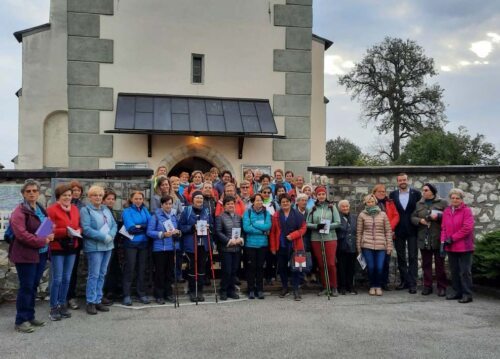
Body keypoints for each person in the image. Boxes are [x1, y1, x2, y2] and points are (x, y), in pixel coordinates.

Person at [9, 179, 54, 333]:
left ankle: (30, 316)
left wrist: (49, 232)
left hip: (40, 254)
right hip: (25, 255)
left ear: (39, 192)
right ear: (23, 193)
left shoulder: (40, 208)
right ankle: (21, 320)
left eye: (34, 191)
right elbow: (22, 235)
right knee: (26, 287)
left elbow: (46, 224)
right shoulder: (18, 212)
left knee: (33, 286)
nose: (32, 193)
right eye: (28, 191)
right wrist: (43, 240)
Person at [80, 185, 117, 314]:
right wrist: (103, 236)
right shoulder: (86, 210)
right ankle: (90, 301)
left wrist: (111, 235)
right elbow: (86, 229)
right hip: (94, 247)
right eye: (95, 195)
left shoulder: (106, 209)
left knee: (102, 274)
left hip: (108, 246)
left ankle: (98, 300)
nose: (98, 197)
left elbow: (114, 225)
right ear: (90, 197)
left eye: (100, 195)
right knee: (94, 275)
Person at [47, 183, 81, 321]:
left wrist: (78, 231)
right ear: (58, 197)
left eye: (69, 195)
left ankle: (62, 304)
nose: (67, 197)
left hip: (72, 247)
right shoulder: (51, 210)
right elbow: (47, 230)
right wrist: (65, 231)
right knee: (57, 279)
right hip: (57, 248)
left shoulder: (74, 209)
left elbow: (78, 225)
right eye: (64, 195)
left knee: (67, 278)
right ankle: (53, 307)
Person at [411, 183, 448, 296]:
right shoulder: (419, 204)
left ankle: (442, 287)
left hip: (437, 237)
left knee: (439, 264)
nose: (424, 192)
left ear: (432, 191)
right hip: (424, 238)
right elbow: (412, 217)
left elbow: (448, 217)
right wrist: (419, 221)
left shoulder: (443, 203)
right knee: (426, 264)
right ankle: (427, 286)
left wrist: (439, 217)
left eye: (426, 190)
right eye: (423, 190)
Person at [178, 191, 214, 302]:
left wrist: (209, 227)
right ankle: (193, 290)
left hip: (204, 244)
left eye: (201, 198)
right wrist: (191, 228)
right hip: (191, 244)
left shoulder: (206, 211)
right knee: (192, 267)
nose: (199, 200)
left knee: (202, 267)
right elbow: (181, 226)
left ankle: (200, 290)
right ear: (192, 199)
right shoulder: (187, 211)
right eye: (197, 198)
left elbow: (212, 225)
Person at [270, 194, 307, 301]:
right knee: (282, 268)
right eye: (283, 202)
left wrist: (293, 235)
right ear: (280, 204)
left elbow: (303, 228)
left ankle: (296, 289)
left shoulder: (298, 215)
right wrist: (273, 247)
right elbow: (273, 232)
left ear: (291, 202)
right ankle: (285, 287)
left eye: (287, 201)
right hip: (281, 245)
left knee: (298, 268)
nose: (285, 203)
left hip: (297, 245)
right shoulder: (276, 215)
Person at [389, 173, 422, 294]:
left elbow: (419, 210)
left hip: (413, 229)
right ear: (397, 182)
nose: (402, 181)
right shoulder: (392, 195)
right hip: (398, 230)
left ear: (408, 180)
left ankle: (412, 283)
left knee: (413, 257)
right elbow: (391, 212)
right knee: (401, 257)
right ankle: (404, 281)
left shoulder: (416, 194)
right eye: (400, 180)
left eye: (404, 179)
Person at [441, 188, 475, 303]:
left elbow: (467, 228)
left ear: (461, 199)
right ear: (450, 199)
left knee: (465, 272)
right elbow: (443, 228)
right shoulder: (446, 211)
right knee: (454, 271)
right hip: (451, 246)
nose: (455, 200)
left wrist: (452, 238)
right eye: (453, 198)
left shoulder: (467, 211)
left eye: (457, 198)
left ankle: (467, 294)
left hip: (465, 247)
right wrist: (443, 241)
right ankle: (457, 292)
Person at [306, 186, 341, 297]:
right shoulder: (312, 208)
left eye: (323, 194)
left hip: (330, 238)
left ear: (326, 195)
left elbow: (338, 222)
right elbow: (307, 223)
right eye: (319, 194)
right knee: (321, 264)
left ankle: (334, 286)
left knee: (330, 263)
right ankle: (325, 287)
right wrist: (318, 226)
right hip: (316, 238)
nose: (321, 196)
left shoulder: (331, 207)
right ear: (316, 196)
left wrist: (326, 226)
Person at [356, 194, 393, 296]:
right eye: (368, 202)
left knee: (380, 267)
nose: (370, 203)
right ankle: (373, 286)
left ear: (375, 202)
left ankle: (378, 286)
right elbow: (359, 232)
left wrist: (389, 246)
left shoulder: (383, 214)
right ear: (365, 203)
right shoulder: (362, 215)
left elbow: (388, 232)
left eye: (372, 201)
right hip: (367, 245)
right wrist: (359, 247)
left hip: (381, 245)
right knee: (371, 267)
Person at [147, 195, 181, 304]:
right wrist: (162, 234)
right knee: (160, 273)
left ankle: (168, 293)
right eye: (166, 204)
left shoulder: (174, 216)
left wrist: (178, 232)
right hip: (159, 249)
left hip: (171, 248)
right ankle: (159, 295)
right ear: (161, 205)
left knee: (169, 272)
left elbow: (177, 230)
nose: (168, 206)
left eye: (170, 203)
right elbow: (149, 232)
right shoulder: (155, 216)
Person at [120, 190, 152, 306]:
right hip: (131, 244)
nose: (138, 201)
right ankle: (126, 295)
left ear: (143, 200)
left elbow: (151, 224)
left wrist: (141, 226)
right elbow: (131, 228)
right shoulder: (127, 211)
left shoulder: (145, 210)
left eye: (140, 199)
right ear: (131, 199)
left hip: (144, 244)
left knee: (142, 270)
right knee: (130, 269)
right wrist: (144, 227)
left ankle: (141, 293)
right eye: (136, 199)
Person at [243, 193, 272, 299]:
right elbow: (246, 228)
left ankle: (260, 289)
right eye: (257, 200)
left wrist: (254, 224)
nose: (259, 202)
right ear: (253, 201)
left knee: (260, 267)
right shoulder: (248, 212)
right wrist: (262, 230)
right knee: (251, 267)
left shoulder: (266, 213)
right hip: (250, 245)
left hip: (263, 245)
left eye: (261, 200)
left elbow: (268, 226)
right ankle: (250, 289)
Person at [215, 196, 244, 300]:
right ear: (224, 206)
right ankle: (223, 290)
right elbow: (218, 232)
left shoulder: (239, 217)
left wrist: (241, 239)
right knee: (226, 270)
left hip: (237, 248)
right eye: (228, 204)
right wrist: (228, 241)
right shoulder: (220, 217)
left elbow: (243, 231)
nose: (230, 205)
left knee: (234, 270)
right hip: (226, 248)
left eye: (232, 203)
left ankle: (231, 290)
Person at [373, 184, 400, 291]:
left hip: (388, 234)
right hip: (375, 235)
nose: (382, 193)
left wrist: (389, 228)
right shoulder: (370, 202)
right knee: (375, 261)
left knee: (386, 260)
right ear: (374, 192)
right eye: (379, 191)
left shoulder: (390, 202)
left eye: (383, 191)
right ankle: (375, 282)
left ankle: (384, 282)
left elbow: (396, 215)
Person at [102, 188, 124, 303]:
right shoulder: (103, 211)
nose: (111, 201)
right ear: (103, 200)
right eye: (108, 199)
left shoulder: (113, 211)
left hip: (114, 244)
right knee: (105, 270)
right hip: (106, 243)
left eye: (113, 199)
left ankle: (111, 291)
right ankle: (103, 293)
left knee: (113, 269)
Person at [67, 179, 84, 310]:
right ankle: (61, 298)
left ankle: (71, 296)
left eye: (78, 190)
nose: (76, 193)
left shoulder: (82, 206)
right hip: (62, 242)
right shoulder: (63, 205)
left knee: (73, 271)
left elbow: (83, 223)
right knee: (61, 273)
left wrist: (80, 230)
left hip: (76, 242)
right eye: (74, 191)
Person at [336, 200, 358, 295]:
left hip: (353, 246)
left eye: (346, 206)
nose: (345, 208)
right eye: (343, 207)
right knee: (341, 267)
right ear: (339, 208)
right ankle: (342, 286)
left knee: (351, 267)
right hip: (341, 246)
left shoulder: (354, 217)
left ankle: (350, 286)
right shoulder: (337, 218)